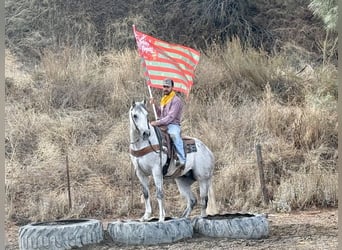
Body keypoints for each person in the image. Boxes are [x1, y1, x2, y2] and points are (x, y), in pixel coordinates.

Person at [150, 78, 186, 177]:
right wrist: (155, 105)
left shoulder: (176, 100)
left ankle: (182, 159)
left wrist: (157, 123)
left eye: (167, 87)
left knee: (174, 135)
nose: (165, 88)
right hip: (163, 124)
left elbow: (170, 117)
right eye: (164, 86)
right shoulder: (163, 99)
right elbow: (160, 114)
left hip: (173, 124)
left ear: (172, 87)